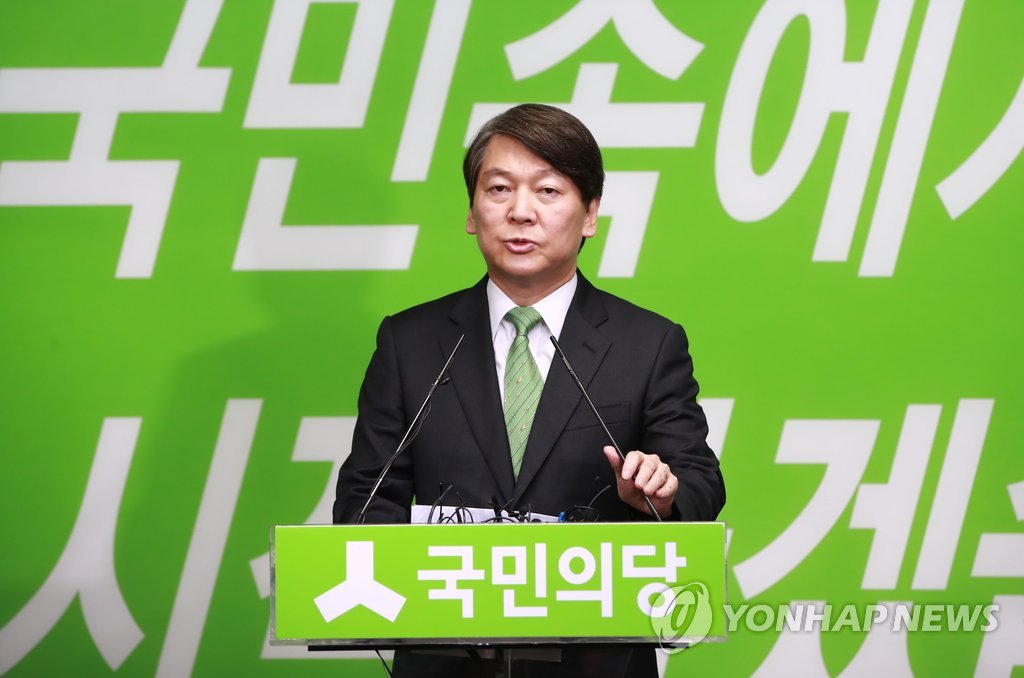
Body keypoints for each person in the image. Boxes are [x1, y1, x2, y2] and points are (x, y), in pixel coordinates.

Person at [333, 104, 725, 677]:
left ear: (590, 214)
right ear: (472, 213)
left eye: (547, 190)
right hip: (447, 659)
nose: (520, 211)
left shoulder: (648, 343)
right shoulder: (410, 342)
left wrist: (660, 497)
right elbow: (366, 500)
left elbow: (700, 482)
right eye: (498, 189)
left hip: (595, 661)